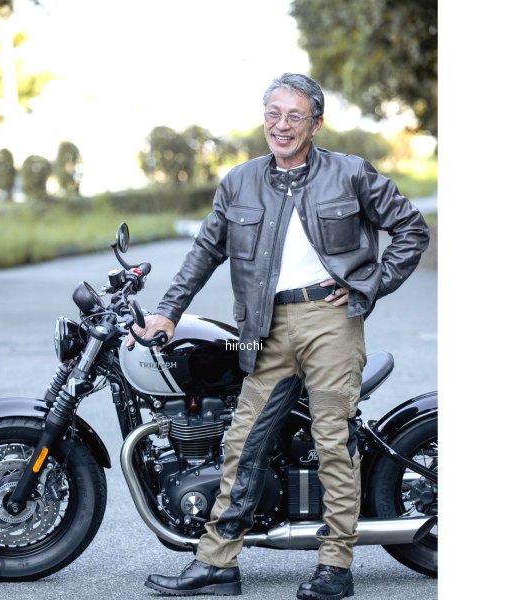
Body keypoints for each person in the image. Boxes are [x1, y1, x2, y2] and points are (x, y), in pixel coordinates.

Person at [131, 73, 430, 599]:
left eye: (295, 115)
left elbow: (411, 230)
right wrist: (168, 312)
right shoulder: (240, 181)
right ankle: (217, 564)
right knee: (242, 441)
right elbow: (205, 251)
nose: (282, 125)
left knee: (332, 441)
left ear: (316, 123)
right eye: (273, 113)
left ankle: (335, 568)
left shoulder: (350, 173)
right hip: (264, 326)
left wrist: (369, 285)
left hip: (329, 320)